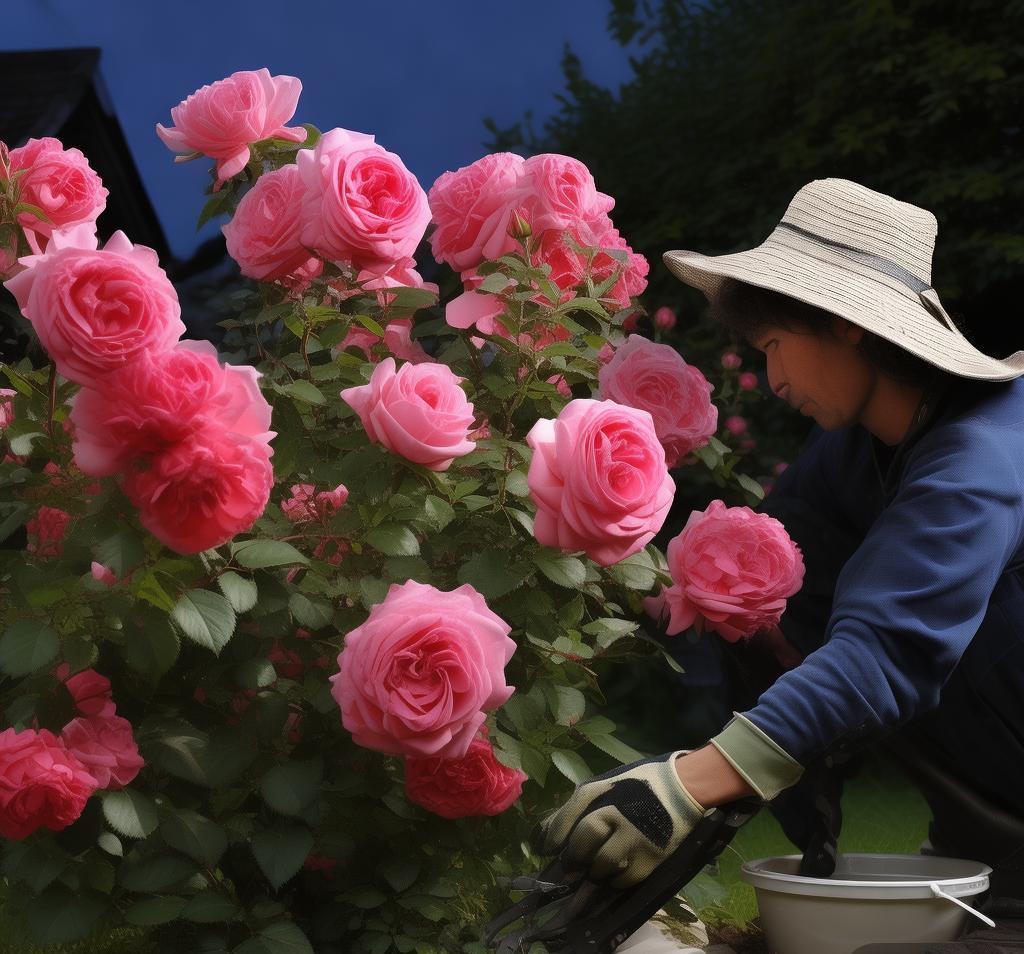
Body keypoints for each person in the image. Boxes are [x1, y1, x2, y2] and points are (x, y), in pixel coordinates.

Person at [538, 179, 1024, 947]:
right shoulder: (848, 459)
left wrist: (684, 788)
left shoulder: (987, 455)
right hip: (983, 849)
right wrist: (740, 810)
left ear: (844, 323)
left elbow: (889, 647)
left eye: (772, 346)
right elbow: (770, 627)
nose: (772, 380)